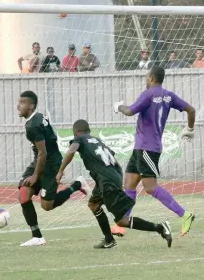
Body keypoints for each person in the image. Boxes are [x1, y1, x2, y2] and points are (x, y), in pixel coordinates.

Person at [56, 120, 173, 249]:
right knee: (94, 205)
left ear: (76, 133)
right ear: (88, 131)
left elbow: (72, 151)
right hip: (110, 177)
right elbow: (112, 158)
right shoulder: (97, 141)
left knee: (121, 221)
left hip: (107, 181)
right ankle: (109, 240)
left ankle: (160, 228)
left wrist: (61, 170)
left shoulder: (79, 139)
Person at [112, 66, 196, 237]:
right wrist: (189, 128)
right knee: (129, 184)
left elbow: (129, 111)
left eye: (146, 77)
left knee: (150, 188)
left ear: (150, 78)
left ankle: (185, 214)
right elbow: (191, 110)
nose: (145, 79)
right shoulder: (169, 95)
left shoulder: (148, 94)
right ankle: (122, 224)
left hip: (147, 148)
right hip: (140, 148)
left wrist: (119, 107)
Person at [17, 91, 89, 246]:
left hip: (50, 163)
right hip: (40, 160)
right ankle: (37, 236)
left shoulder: (33, 125)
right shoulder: (36, 117)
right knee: (23, 193)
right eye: (19, 102)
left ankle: (77, 185)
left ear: (31, 105)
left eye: (22, 102)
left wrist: (36, 176)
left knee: (47, 206)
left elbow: (43, 152)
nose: (18, 105)